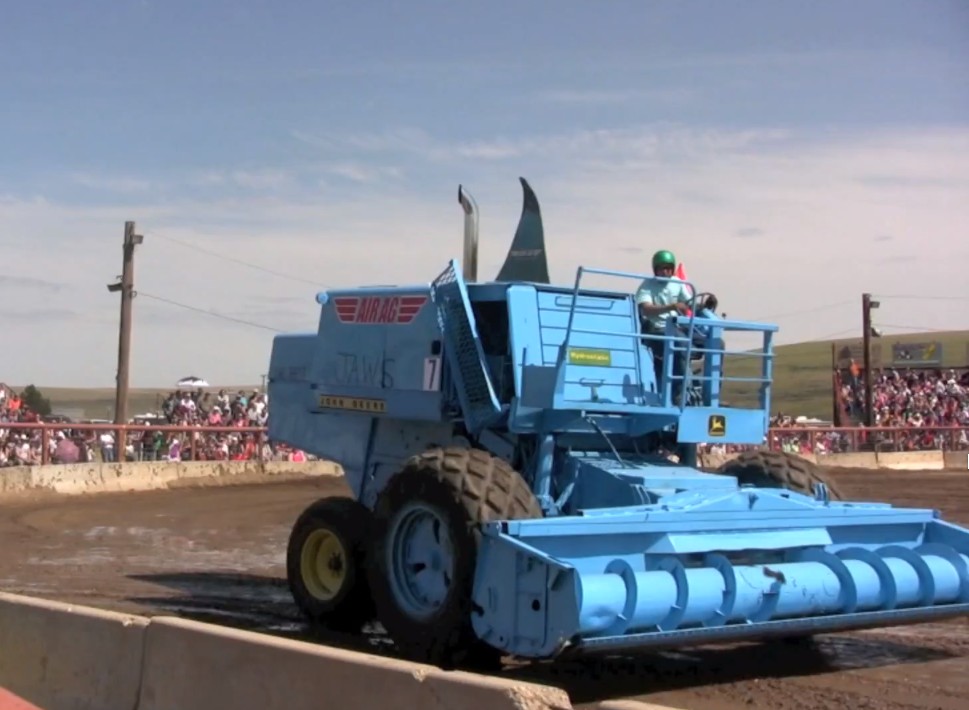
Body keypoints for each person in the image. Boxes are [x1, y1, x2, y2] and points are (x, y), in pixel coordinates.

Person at [635, 249, 704, 402]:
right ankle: (678, 394)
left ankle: (710, 392)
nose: (665, 272)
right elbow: (645, 308)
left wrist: (702, 306)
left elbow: (688, 303)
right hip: (656, 329)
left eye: (668, 268)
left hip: (677, 327)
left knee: (715, 342)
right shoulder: (647, 286)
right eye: (661, 269)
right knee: (680, 343)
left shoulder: (677, 283)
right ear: (655, 270)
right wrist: (671, 307)